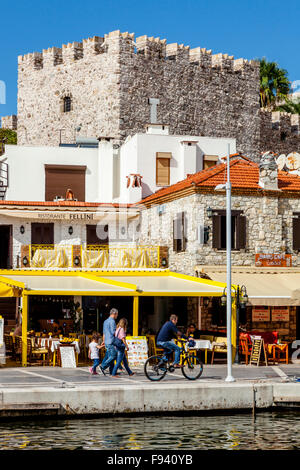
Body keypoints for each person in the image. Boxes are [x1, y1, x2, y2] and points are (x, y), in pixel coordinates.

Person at [100, 308, 118, 375]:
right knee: (114, 355)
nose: (117, 316)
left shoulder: (105, 321)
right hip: (111, 341)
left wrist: (103, 340)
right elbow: (114, 332)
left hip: (107, 341)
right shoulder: (112, 321)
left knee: (110, 356)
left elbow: (104, 333)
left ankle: (112, 371)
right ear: (114, 314)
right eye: (117, 314)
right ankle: (103, 366)